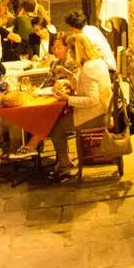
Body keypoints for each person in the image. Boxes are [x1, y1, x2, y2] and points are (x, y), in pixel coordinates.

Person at [46, 35, 114, 179]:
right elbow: (85, 87)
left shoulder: (89, 68)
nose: (70, 54)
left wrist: (68, 99)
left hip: (96, 115)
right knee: (59, 119)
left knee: (55, 127)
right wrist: (69, 79)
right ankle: (63, 161)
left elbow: (92, 100)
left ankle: (65, 164)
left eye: (71, 51)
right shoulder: (96, 62)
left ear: (77, 50)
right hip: (102, 110)